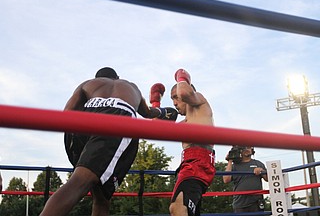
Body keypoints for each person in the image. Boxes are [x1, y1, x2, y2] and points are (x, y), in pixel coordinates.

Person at [40, 67, 174, 216]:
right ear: (117, 77)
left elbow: (67, 113)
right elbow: (148, 113)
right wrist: (164, 112)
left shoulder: (87, 84)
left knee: (101, 194)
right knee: (79, 183)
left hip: (84, 120)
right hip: (117, 117)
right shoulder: (129, 86)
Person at [169, 69, 216, 216]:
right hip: (188, 165)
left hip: (197, 165)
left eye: (175, 97)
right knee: (186, 210)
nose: (175, 103)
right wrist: (156, 104)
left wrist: (181, 76)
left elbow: (184, 92)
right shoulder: (185, 123)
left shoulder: (200, 103)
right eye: (172, 100)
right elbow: (154, 130)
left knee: (178, 207)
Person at [223, 146, 268, 213]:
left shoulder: (258, 163)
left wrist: (261, 171)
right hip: (240, 202)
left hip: (256, 201)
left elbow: (268, 179)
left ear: (252, 150)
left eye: (249, 147)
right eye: (244, 148)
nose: (247, 149)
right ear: (240, 151)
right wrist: (230, 160)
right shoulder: (234, 166)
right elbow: (226, 180)